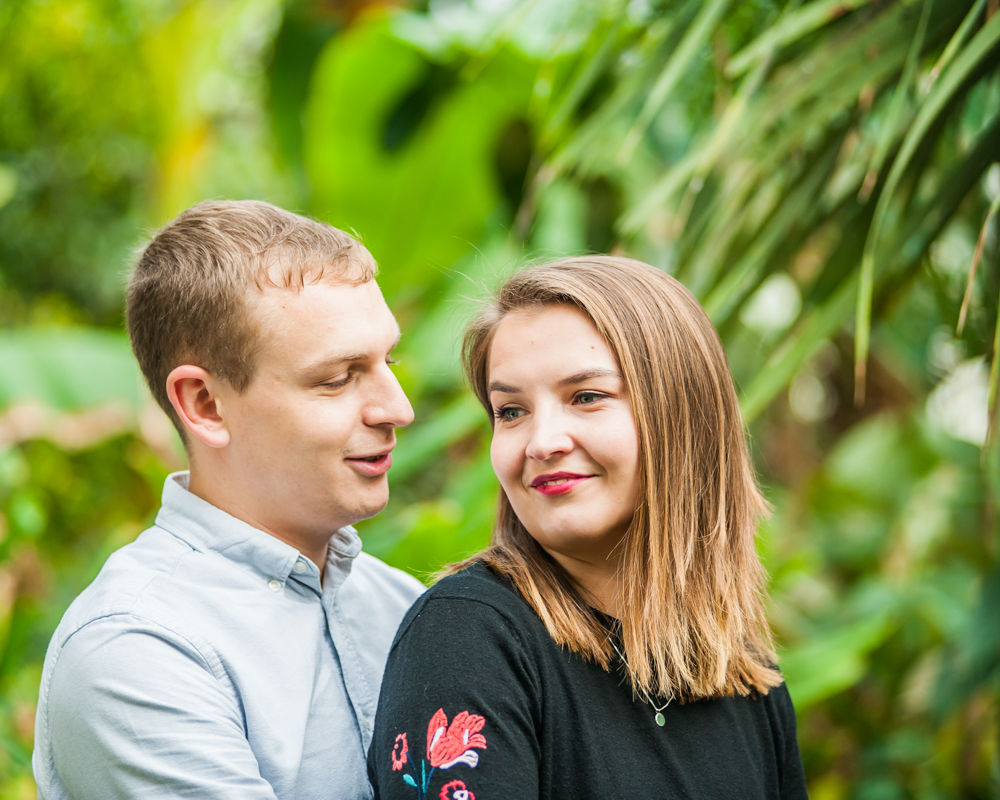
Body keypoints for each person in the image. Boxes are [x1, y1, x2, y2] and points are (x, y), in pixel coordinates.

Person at [368, 256, 808, 799]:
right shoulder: (467, 636)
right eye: (511, 411)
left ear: (683, 418)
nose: (542, 442)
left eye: (587, 397)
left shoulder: (747, 677)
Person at [33, 200, 424, 799]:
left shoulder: (401, 605)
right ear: (205, 404)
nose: (398, 408)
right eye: (337, 378)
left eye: (387, 360)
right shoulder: (138, 649)